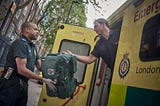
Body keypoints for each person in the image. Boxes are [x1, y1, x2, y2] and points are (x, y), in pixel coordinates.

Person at [63, 18, 120, 104]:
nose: (94, 29)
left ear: (103, 25)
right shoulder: (99, 44)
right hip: (114, 75)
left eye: (96, 26)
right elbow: (90, 59)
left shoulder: (119, 33)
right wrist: (73, 55)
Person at [0, 22, 56, 106]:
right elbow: (21, 69)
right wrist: (42, 79)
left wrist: (55, 70)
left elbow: (40, 66)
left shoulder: (33, 47)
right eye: (35, 29)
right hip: (11, 83)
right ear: (26, 30)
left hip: (24, 84)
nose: (38, 32)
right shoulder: (20, 44)